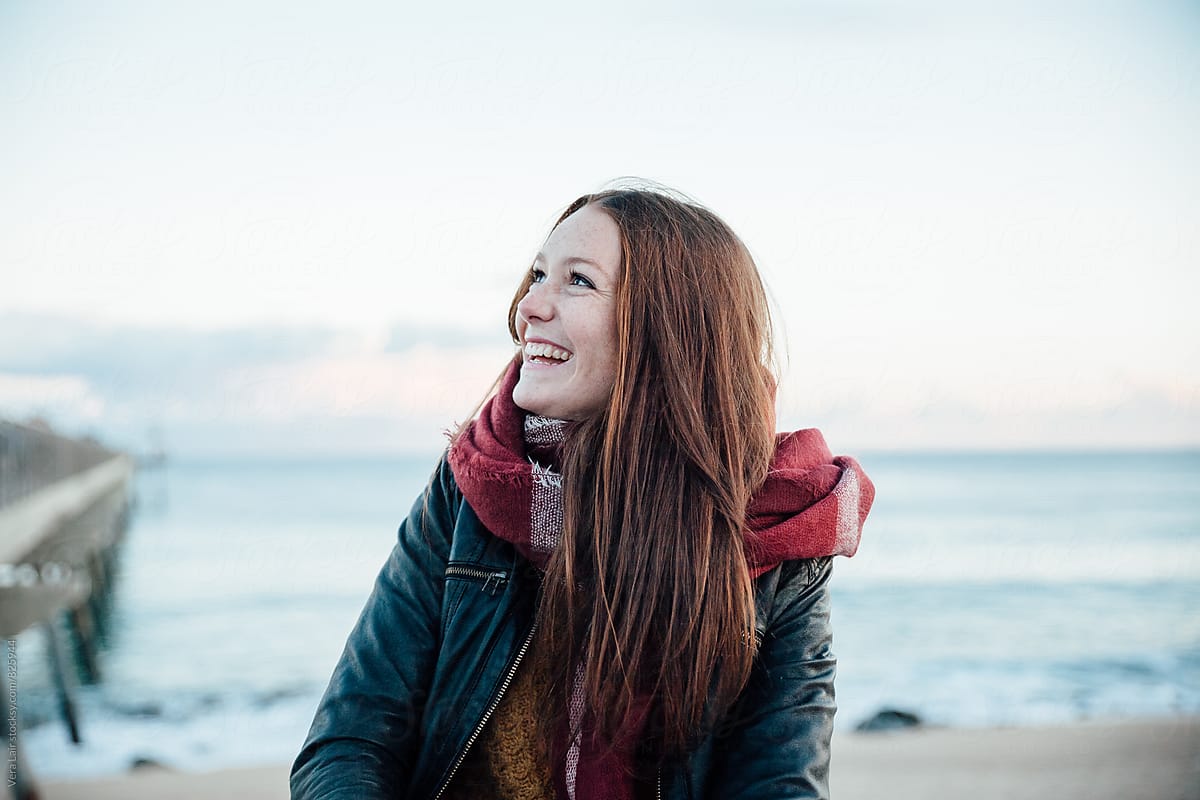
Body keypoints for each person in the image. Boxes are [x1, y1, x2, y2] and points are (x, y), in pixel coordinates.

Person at [290, 184, 875, 800]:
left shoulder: (778, 532)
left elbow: (778, 785)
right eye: (538, 274)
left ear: (669, 331)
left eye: (578, 281)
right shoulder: (470, 487)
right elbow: (349, 743)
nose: (528, 306)